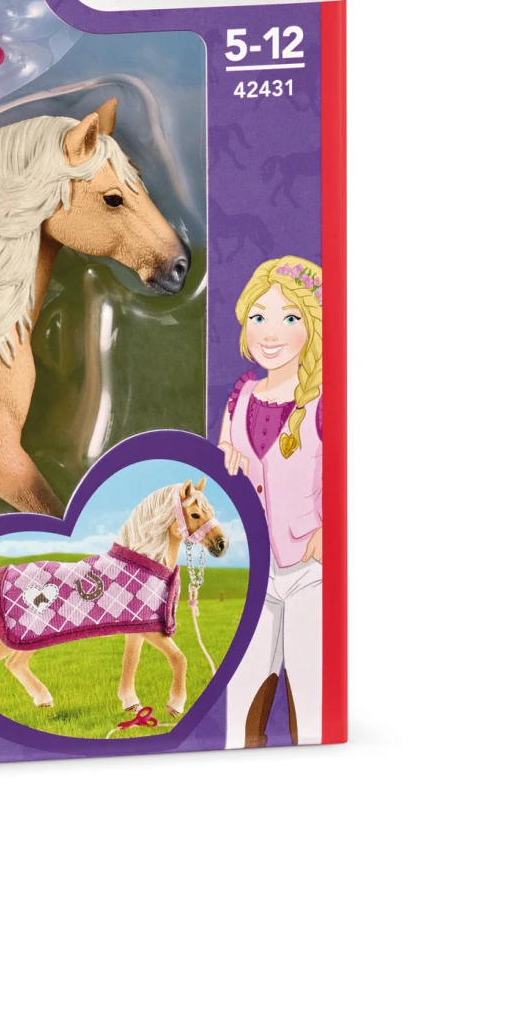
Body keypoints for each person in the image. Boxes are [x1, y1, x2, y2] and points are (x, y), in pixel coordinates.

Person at [219, 256, 323, 748]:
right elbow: (223, 458)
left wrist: (331, 530)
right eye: (258, 317)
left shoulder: (324, 399)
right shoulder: (241, 394)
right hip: (254, 567)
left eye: (289, 317)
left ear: (312, 326)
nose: (270, 332)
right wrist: (226, 460)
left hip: (310, 565)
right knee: (244, 689)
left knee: (310, 688)